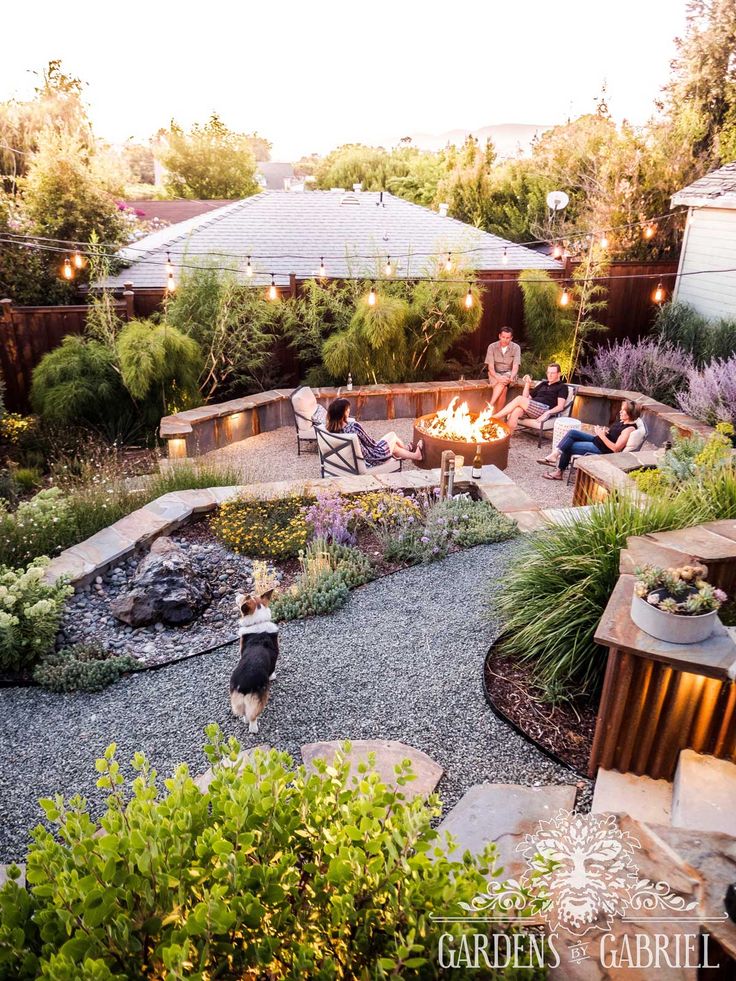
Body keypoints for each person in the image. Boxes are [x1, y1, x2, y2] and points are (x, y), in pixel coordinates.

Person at [540, 400, 641, 480]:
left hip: (602, 449)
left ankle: (558, 472)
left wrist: (602, 435)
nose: (620, 411)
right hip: (598, 441)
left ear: (629, 414)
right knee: (572, 433)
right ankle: (555, 454)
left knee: (569, 445)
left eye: (623, 410)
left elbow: (615, 449)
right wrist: (605, 432)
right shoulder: (623, 422)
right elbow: (614, 435)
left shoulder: (629, 429)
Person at [326, 398, 424, 465]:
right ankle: (413, 453)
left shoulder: (331, 430)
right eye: (347, 410)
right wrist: (382, 444)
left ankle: (410, 452)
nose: (349, 411)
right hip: (373, 459)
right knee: (392, 435)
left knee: (394, 447)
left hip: (354, 461)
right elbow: (371, 443)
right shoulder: (353, 427)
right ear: (343, 413)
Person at [493, 363, 569, 433]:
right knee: (517, 411)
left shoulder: (562, 387)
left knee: (519, 399)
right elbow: (526, 398)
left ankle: (495, 417)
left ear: (559, 374)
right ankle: (507, 438)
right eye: (548, 373)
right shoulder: (543, 384)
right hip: (533, 408)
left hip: (544, 409)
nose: (549, 375)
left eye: (552, 373)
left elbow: (560, 407)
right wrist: (527, 383)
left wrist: (547, 413)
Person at [484, 327, 521, 411]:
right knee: (503, 389)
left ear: (511, 338)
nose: (505, 339)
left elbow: (515, 365)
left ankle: (490, 405)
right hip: (495, 373)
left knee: (505, 379)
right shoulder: (492, 347)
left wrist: (512, 377)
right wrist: (497, 377)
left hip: (509, 373)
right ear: (499, 336)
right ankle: (498, 416)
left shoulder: (516, 348)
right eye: (503, 337)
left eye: (508, 338)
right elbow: (490, 367)